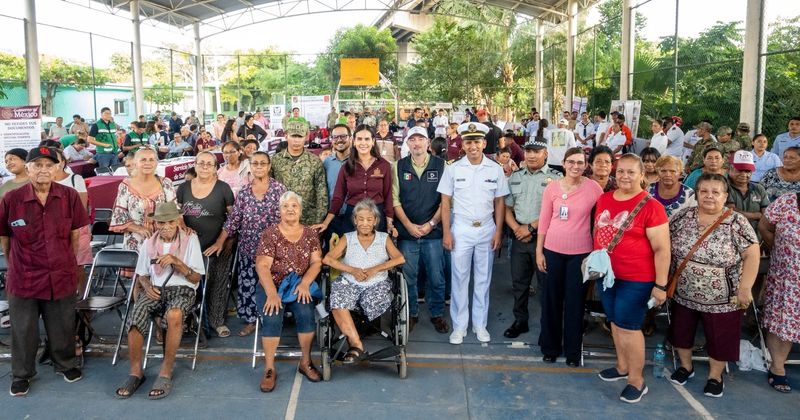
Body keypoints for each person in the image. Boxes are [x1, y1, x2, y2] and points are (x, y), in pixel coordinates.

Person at [0, 146, 89, 396]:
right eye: (37, 165)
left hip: (60, 273)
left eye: (49, 165)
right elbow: (5, 238)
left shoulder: (69, 196)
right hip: (24, 275)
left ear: (57, 168)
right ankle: (22, 374)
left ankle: (66, 364)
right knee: (23, 329)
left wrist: (67, 261)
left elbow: (75, 235)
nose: (43, 170)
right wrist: (15, 264)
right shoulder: (12, 199)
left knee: (62, 324)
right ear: (28, 168)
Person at [667, 173, 759, 398]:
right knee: (681, 331)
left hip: (724, 297)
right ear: (696, 193)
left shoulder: (736, 222)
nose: (709, 196)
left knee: (720, 337)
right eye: (704, 191)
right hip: (684, 292)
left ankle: (715, 376)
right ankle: (685, 367)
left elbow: (752, 254)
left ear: (725, 196)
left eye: (715, 192)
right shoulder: (683, 216)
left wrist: (745, 288)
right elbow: (664, 243)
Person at [594, 154, 669, 404]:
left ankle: (636, 380)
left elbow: (662, 249)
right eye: (621, 171)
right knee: (615, 322)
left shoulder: (651, 206)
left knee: (629, 326)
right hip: (607, 276)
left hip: (636, 278)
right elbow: (598, 230)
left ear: (642, 175)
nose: (625, 176)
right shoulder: (605, 198)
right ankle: (622, 366)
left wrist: (660, 285)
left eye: (631, 172)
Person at [114, 202, 205, 399]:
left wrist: (177, 262)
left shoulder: (190, 239)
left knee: (174, 314)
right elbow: (142, 275)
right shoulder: (149, 242)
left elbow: (196, 278)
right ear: (155, 223)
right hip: (155, 290)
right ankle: (136, 373)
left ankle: (165, 371)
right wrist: (147, 287)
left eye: (170, 222)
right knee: (135, 317)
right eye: (161, 222)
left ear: (177, 221)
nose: (165, 226)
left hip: (183, 290)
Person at [438, 122, 509, 344]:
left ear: (484, 143)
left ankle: (480, 324)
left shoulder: (495, 169)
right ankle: (459, 326)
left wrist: (498, 231)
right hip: (461, 228)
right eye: (468, 142)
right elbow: (445, 202)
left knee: (483, 279)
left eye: (477, 142)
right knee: (459, 279)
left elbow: (500, 202)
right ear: (462, 144)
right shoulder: (453, 168)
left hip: (486, 228)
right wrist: (446, 232)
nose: (473, 146)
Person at [536, 147, 603, 366]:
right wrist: (539, 251)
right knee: (551, 301)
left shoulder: (593, 188)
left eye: (580, 162)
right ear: (564, 163)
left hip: (580, 255)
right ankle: (550, 347)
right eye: (571, 162)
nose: (575, 166)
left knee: (575, 304)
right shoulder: (552, 188)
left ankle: (573, 352)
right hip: (552, 251)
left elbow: (603, 218)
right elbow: (544, 221)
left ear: (586, 165)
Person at [253, 191, 323, 391]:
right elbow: (262, 266)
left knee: (306, 312)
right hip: (272, 284)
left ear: (300, 210)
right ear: (280, 211)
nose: (290, 209)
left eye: (294, 206)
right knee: (272, 315)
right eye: (286, 206)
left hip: (297, 285)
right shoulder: (270, 234)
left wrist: (305, 284)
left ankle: (305, 362)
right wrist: (272, 294)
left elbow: (317, 262)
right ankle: (269, 368)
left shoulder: (310, 234)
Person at [322, 199, 406, 363]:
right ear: (355, 220)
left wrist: (376, 269)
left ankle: (355, 343)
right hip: (349, 283)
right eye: (361, 219)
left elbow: (400, 259)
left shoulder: (383, 238)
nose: (365, 223)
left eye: (369, 219)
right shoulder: (347, 238)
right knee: (337, 299)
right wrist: (352, 270)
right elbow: (327, 259)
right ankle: (356, 344)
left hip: (377, 284)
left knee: (373, 300)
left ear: (375, 221)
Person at [215, 152, 287, 337]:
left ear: (269, 166)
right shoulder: (245, 192)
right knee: (249, 285)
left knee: (272, 284)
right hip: (249, 248)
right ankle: (251, 321)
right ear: (250, 167)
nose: (259, 167)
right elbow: (234, 220)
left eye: (263, 163)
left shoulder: (279, 189)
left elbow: (288, 217)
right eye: (255, 164)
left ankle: (272, 318)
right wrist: (220, 241)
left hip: (274, 250)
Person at [391, 127, 448, 334]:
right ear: (407, 143)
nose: (417, 143)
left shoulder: (441, 166)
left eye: (421, 139)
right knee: (409, 277)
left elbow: (446, 200)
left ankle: (437, 314)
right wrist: (408, 225)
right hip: (407, 234)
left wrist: (431, 224)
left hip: (433, 232)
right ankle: (412, 313)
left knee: (436, 277)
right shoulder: (398, 166)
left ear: (428, 142)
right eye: (412, 139)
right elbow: (395, 200)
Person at [503, 138, 561, 339]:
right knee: (519, 283)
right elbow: (507, 208)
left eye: (537, 151)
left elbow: (556, 210)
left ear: (546, 154)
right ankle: (520, 321)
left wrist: (530, 228)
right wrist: (517, 229)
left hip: (545, 240)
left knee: (547, 285)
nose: (532, 155)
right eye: (528, 151)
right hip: (519, 238)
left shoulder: (557, 178)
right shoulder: (516, 177)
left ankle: (549, 326)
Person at [177, 152, 235, 338]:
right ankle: (188, 320)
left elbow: (233, 219)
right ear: (194, 165)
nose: (204, 166)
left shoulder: (223, 188)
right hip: (189, 247)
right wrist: (183, 225)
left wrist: (223, 242)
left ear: (215, 168)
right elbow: (177, 214)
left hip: (217, 245)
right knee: (188, 283)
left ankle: (217, 321)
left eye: (209, 164)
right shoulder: (183, 188)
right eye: (201, 163)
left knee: (217, 283)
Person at [316, 124, 394, 235]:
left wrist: (389, 223)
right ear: (354, 141)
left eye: (367, 139)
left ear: (373, 142)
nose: (363, 143)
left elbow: (388, 196)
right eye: (359, 139)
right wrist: (326, 222)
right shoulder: (346, 167)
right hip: (352, 218)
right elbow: (338, 197)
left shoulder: (384, 165)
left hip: (377, 217)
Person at [759, 191, 800, 393]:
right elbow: (764, 226)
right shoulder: (787, 201)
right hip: (786, 278)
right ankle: (777, 367)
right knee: (781, 323)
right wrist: (778, 249)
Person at [109, 147, 178, 253]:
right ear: (135, 163)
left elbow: (175, 212)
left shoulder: (166, 183)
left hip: (163, 241)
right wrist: (139, 229)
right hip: (135, 244)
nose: (147, 163)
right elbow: (119, 216)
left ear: (156, 163)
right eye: (143, 160)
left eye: (151, 160)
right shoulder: (125, 185)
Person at [270, 121, 328, 226]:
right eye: (293, 136)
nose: (296, 140)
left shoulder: (314, 161)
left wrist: (319, 220)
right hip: (282, 219)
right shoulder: (276, 160)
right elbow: (270, 189)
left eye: (300, 136)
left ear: (306, 137)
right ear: (286, 136)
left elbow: (321, 193)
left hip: (308, 219)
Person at [51, 148, 92, 296]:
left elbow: (81, 208)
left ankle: (82, 299)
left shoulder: (75, 179)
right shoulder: (41, 182)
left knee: (77, 266)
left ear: (63, 162)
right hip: (50, 231)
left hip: (76, 229)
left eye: (56, 160)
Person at [726, 151, 769, 235]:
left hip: (756, 237)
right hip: (730, 236)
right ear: (729, 169)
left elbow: (766, 215)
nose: (744, 174)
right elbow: (731, 212)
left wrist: (760, 215)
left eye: (747, 171)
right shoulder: (723, 187)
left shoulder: (759, 188)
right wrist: (757, 215)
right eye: (739, 170)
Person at [323, 124, 352, 202]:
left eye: (343, 136)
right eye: (335, 137)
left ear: (350, 138)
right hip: (332, 208)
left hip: (354, 208)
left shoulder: (358, 161)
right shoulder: (327, 162)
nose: (339, 140)